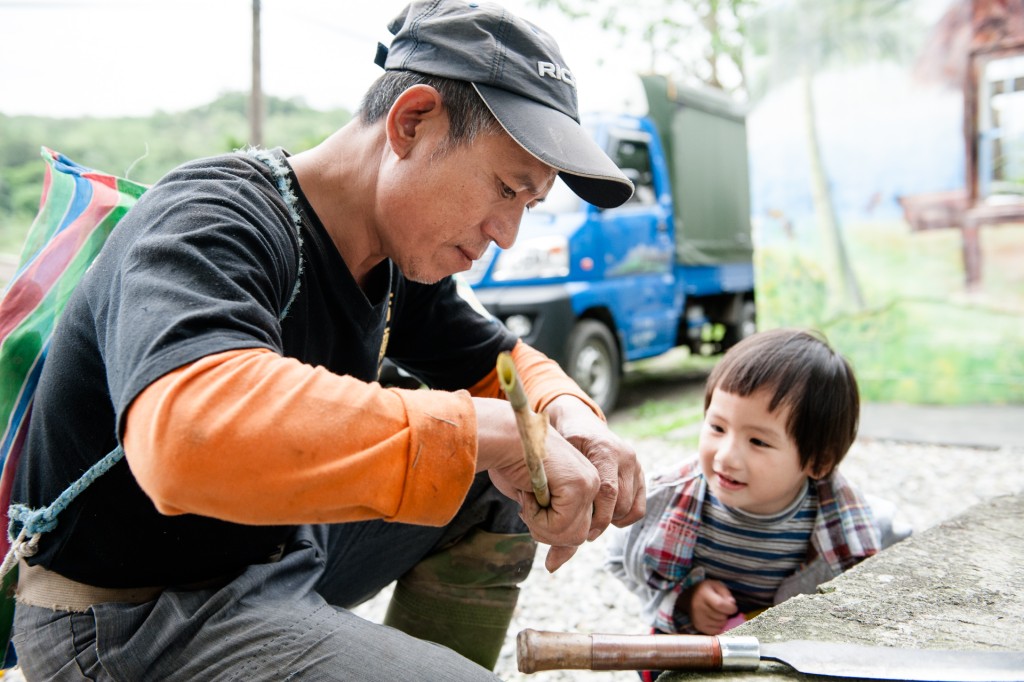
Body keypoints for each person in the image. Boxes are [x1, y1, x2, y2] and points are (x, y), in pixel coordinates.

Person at [8, 2, 646, 680]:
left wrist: (570, 420)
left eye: (529, 205)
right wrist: (495, 433)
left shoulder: (396, 256)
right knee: (490, 449)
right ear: (412, 121)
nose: (507, 234)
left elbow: (501, 366)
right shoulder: (212, 216)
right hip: (131, 615)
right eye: (505, 189)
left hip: (269, 554)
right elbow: (187, 437)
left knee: (494, 482)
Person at [605, 328, 910, 680]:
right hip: (687, 650)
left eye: (758, 442)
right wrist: (684, 597)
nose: (726, 455)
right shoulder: (668, 499)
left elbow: (898, 561)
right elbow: (620, 558)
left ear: (818, 462)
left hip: (784, 657)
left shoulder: (843, 521)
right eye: (717, 427)